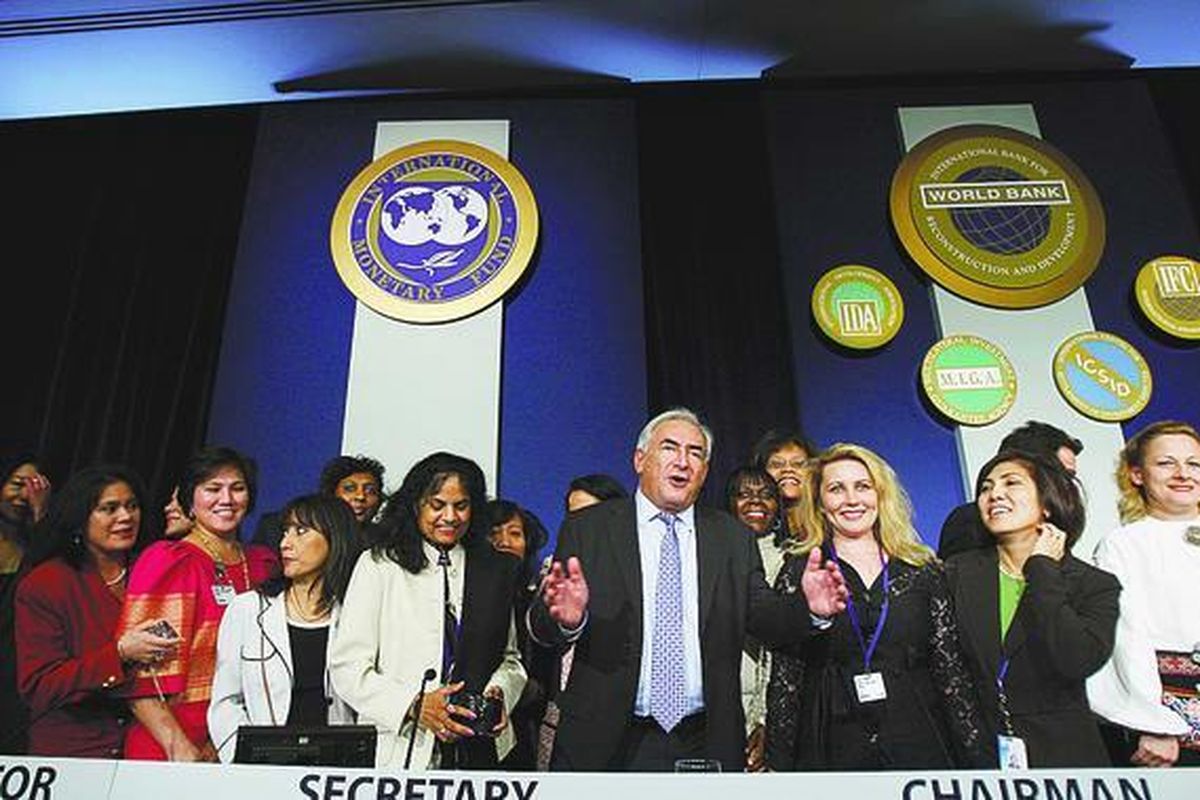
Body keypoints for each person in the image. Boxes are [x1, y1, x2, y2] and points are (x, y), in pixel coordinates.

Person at [529, 408, 848, 772]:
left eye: (695, 453)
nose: (683, 462)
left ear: (705, 471)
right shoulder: (589, 529)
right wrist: (568, 621)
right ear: (639, 460)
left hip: (704, 739)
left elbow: (763, 617)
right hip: (606, 740)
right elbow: (542, 627)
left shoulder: (731, 537)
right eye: (669, 448)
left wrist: (809, 609)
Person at [767, 444, 987, 770]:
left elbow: (949, 669)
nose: (852, 499)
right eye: (836, 489)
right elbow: (787, 674)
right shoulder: (801, 570)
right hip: (831, 740)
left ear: (880, 495)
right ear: (820, 502)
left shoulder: (922, 569)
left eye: (863, 486)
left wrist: (978, 760)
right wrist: (777, 767)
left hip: (917, 736)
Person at [330, 452, 526, 770]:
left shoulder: (497, 569)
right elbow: (348, 667)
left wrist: (498, 696)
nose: (450, 517)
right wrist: (414, 706)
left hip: (482, 751)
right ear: (415, 505)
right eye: (437, 505)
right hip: (401, 749)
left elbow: (511, 659)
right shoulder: (378, 564)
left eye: (461, 506)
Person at [947, 450, 1119, 767]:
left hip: (1065, 756)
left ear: (1048, 503)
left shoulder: (1094, 584)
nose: (994, 493)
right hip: (978, 752)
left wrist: (1042, 569)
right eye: (986, 488)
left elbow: (1076, 658)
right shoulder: (955, 573)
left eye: (1011, 483)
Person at [117, 446, 278, 761]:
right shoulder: (169, 561)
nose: (227, 499)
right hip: (173, 742)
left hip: (242, 737)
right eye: (212, 489)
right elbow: (140, 675)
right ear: (190, 499)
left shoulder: (264, 563)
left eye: (238, 488)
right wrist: (180, 749)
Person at [14, 466, 175, 757]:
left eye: (132, 506)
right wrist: (120, 654)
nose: (125, 517)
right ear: (79, 518)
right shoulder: (46, 584)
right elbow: (40, 687)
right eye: (109, 508)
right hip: (75, 752)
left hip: (147, 747)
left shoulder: (156, 571)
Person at [209, 494, 362, 761]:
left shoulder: (356, 613)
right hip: (261, 769)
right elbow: (226, 702)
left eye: (301, 531)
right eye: (285, 531)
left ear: (335, 537)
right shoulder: (248, 609)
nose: (285, 543)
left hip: (335, 770)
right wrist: (244, 761)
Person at [1088, 420, 1200, 767]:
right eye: (1166, 463)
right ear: (1137, 474)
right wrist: (1153, 723)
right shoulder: (1122, 545)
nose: (1183, 473)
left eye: (1194, 463)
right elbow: (1126, 636)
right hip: (1177, 721)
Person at [939, 421, 1083, 559]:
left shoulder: (1056, 528)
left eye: (1070, 476)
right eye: (1060, 473)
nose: (1068, 484)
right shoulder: (969, 523)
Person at [725, 465, 785, 771]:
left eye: (766, 495)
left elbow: (780, 644)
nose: (755, 502)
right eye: (744, 495)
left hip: (767, 703)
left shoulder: (791, 559)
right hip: (719, 703)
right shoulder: (713, 554)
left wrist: (764, 718)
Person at [486, 499, 552, 770]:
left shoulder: (540, 601)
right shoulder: (465, 595)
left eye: (514, 534)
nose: (504, 542)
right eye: (493, 533)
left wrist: (529, 689)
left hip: (525, 731)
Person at [0, 453, 51, 755]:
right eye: (17, 484)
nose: (23, 496)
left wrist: (42, 512)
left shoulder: (38, 547)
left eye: (34, 487)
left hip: (12, 676)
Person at [253, 454, 385, 551]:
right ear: (331, 494)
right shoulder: (276, 529)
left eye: (370, 491)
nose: (361, 496)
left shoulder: (382, 542)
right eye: (349, 489)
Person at [752, 430, 814, 538]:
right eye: (776, 465)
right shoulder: (752, 528)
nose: (787, 469)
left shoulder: (830, 524)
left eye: (798, 464)